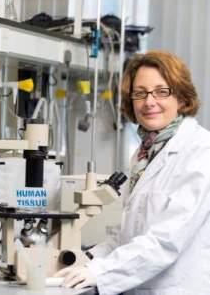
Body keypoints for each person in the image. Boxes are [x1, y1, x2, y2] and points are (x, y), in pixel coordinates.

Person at [55, 50, 210, 295]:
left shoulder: (201, 152)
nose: (149, 102)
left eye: (162, 91)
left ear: (181, 97)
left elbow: (166, 240)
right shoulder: (145, 153)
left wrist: (100, 272)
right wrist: (86, 260)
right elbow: (127, 235)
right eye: (140, 93)